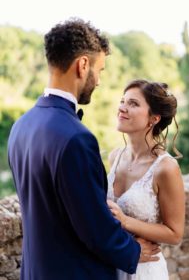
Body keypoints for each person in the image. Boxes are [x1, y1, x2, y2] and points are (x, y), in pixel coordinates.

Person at [7, 19, 159, 280]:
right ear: (83, 65)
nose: (99, 81)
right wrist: (132, 251)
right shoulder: (77, 138)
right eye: (99, 69)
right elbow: (93, 225)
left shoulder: (20, 126)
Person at [106, 79, 185, 279]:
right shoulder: (115, 157)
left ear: (154, 118)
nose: (122, 108)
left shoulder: (165, 168)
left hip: (145, 271)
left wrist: (125, 221)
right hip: (112, 265)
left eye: (133, 104)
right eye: (123, 101)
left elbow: (175, 233)